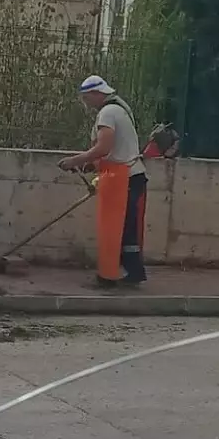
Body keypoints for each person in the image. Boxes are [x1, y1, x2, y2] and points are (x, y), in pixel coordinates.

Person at [58, 75, 148, 288]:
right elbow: (114, 151)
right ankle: (130, 273)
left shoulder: (108, 113)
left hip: (123, 176)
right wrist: (89, 165)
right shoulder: (118, 109)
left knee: (117, 228)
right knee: (125, 228)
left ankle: (113, 276)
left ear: (97, 94)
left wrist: (75, 160)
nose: (86, 103)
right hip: (128, 174)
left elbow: (104, 148)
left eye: (86, 98)